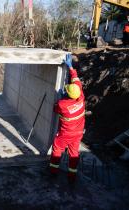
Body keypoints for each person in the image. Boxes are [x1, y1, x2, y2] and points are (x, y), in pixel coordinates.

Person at [49, 54, 85, 182]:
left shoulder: (62, 105)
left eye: (66, 91)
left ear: (68, 95)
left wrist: (60, 98)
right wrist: (71, 67)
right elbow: (75, 79)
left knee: (57, 148)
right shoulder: (80, 95)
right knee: (74, 154)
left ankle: (53, 171)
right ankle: (72, 176)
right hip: (78, 133)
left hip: (65, 134)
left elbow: (55, 109)